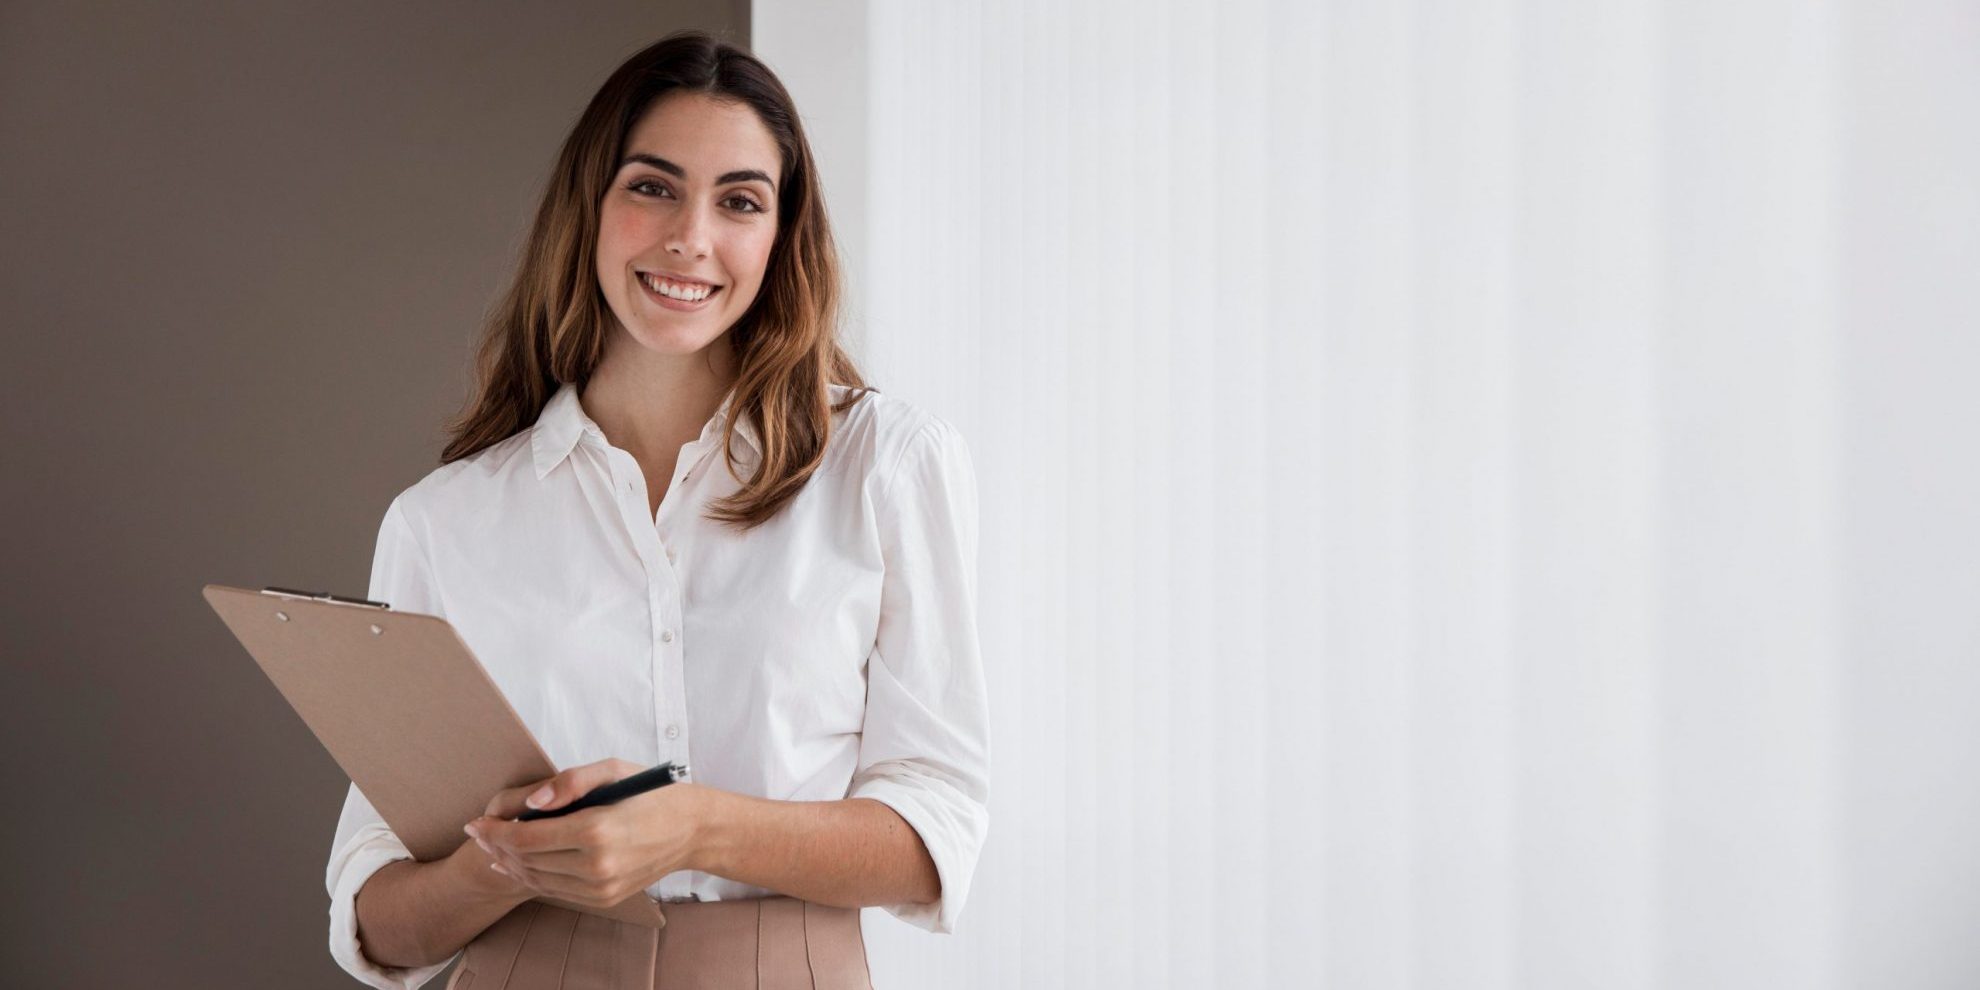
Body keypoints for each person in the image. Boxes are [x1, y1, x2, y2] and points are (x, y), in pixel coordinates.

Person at [322, 29, 989, 990]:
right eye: (652, 186)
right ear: (589, 206)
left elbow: (937, 829)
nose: (691, 237)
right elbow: (378, 922)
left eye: (740, 202)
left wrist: (694, 825)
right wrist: (502, 861)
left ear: (780, 235)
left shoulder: (885, 466)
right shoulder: (446, 520)